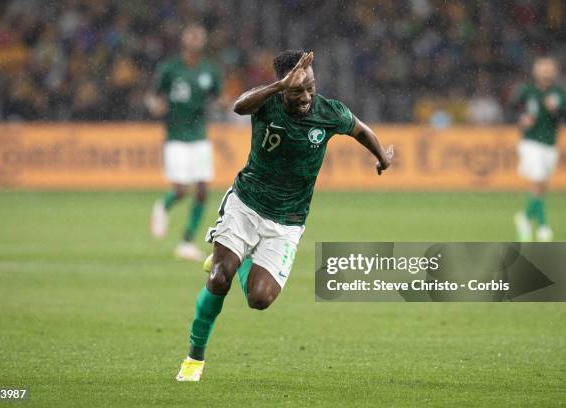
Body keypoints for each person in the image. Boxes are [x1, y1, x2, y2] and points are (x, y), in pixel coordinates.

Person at [176, 50, 394, 381]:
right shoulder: (268, 102)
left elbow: (361, 130)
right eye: (297, 90)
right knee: (220, 276)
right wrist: (278, 86)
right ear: (283, 87)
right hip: (246, 204)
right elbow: (239, 106)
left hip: (288, 221)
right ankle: (194, 358)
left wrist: (382, 158)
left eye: (310, 87)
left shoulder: (329, 112)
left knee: (260, 299)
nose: (306, 96)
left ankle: (240, 258)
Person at [146, 24, 222, 261]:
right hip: (176, 136)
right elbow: (152, 95)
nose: (196, 38)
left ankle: (186, 242)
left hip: (199, 135)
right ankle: (163, 205)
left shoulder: (211, 71)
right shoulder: (170, 69)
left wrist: (225, 104)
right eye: (192, 34)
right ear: (183, 39)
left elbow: (219, 98)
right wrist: (154, 106)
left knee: (201, 190)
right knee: (181, 189)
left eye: (200, 35)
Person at [512, 57, 564, 242]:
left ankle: (525, 218)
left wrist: (556, 110)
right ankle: (542, 227)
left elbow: (563, 115)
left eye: (549, 68)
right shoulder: (527, 91)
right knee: (537, 181)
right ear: (535, 71)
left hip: (550, 143)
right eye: (543, 68)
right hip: (531, 142)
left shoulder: (559, 93)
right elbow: (512, 108)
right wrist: (521, 118)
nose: (546, 71)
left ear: (555, 71)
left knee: (541, 186)